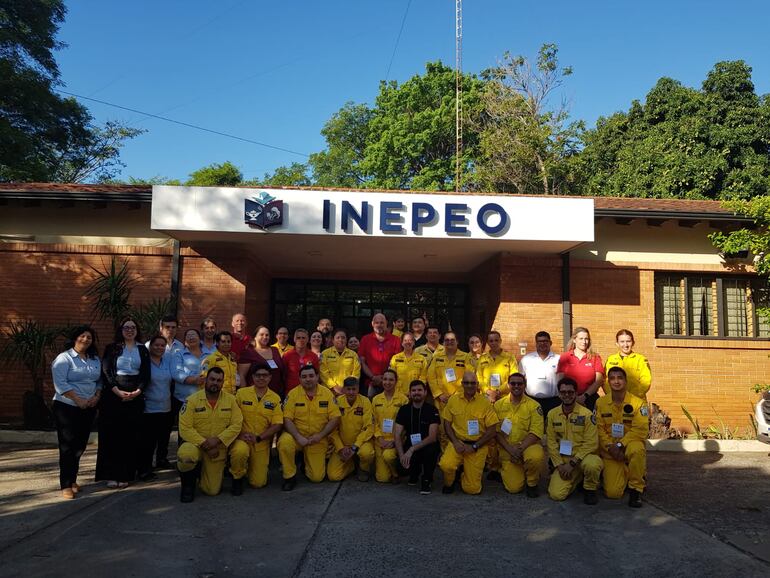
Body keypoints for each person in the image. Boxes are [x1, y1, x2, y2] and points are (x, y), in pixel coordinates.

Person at [96, 317, 150, 488]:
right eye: (126, 327)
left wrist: (138, 391)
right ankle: (111, 475)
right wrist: (117, 391)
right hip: (113, 395)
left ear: (137, 330)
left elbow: (146, 373)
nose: (130, 330)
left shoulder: (143, 350)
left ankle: (126, 474)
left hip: (135, 395)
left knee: (130, 437)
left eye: (133, 327)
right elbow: (106, 371)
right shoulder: (111, 348)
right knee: (112, 437)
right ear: (121, 330)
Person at [177, 367, 243, 502]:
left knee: (212, 491)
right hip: (195, 445)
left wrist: (218, 441)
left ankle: (202, 473)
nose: (215, 383)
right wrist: (205, 444)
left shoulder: (230, 400)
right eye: (212, 379)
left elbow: (236, 424)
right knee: (186, 455)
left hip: (218, 448)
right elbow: (185, 428)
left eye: (219, 381)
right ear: (206, 380)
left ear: (222, 383)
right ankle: (188, 486)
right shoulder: (191, 400)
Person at [51, 325, 102, 499]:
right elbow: (60, 384)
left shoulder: (94, 359)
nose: (85, 339)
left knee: (80, 445)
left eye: (89, 337)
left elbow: (99, 381)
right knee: (67, 446)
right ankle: (65, 484)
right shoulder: (64, 358)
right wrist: (78, 400)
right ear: (75, 338)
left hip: (88, 407)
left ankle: (73, 480)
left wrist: (96, 396)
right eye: (82, 336)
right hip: (67, 407)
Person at [277, 364, 341, 490]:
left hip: (317, 438)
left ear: (317, 377)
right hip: (296, 437)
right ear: (299, 379)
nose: (308, 379)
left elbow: (335, 418)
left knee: (316, 478)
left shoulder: (327, 393)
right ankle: (289, 476)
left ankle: (305, 462)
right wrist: (298, 437)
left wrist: (320, 436)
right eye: (304, 377)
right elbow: (287, 419)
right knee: (284, 443)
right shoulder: (293, 394)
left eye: (311, 376)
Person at [596, 366, 648, 507]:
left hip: (628, 446)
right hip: (610, 452)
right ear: (608, 382)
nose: (616, 381)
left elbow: (641, 430)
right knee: (613, 493)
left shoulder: (639, 403)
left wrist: (620, 445)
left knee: (637, 449)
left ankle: (636, 490)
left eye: (620, 378)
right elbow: (599, 429)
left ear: (625, 381)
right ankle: (628, 471)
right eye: (612, 378)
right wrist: (610, 447)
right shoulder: (600, 403)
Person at [439, 371, 498, 495]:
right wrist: (455, 442)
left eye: (473, 383)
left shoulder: (485, 403)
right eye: (466, 383)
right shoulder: (453, 400)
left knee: (472, 489)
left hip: (477, 446)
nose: (470, 385)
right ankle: (449, 482)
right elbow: (447, 424)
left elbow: (492, 429)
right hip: (457, 443)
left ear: (477, 384)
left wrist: (475, 446)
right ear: (462, 384)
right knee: (446, 465)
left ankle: (463, 475)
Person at [546, 377, 603, 504]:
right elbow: (551, 442)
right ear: (559, 394)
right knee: (556, 495)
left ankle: (590, 488)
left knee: (593, 464)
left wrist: (572, 464)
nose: (567, 395)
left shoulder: (587, 415)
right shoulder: (552, 414)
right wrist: (559, 466)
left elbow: (591, 443)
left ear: (576, 393)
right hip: (563, 460)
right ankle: (577, 480)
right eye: (563, 392)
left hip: (582, 459)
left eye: (570, 392)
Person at [229, 363, 284, 494]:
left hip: (260, 441)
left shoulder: (275, 398)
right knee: (239, 452)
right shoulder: (241, 394)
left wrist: (259, 437)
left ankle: (248, 468)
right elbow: (230, 417)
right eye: (257, 375)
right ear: (252, 377)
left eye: (265, 375)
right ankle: (237, 477)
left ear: (270, 378)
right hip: (241, 438)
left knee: (258, 483)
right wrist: (238, 435)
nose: (261, 378)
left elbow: (277, 424)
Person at [494, 373, 545, 497]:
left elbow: (536, 432)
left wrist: (519, 449)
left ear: (524, 385)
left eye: (520, 384)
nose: (516, 386)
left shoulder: (534, 406)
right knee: (514, 488)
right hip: (507, 448)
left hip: (528, 447)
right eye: (513, 383)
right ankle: (508, 470)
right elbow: (495, 432)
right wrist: (511, 450)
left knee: (535, 457)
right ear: (508, 385)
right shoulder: (498, 405)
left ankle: (532, 482)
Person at [394, 380, 441, 495]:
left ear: (425, 392)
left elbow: (432, 437)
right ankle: (414, 472)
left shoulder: (432, 410)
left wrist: (411, 449)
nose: (416, 393)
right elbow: (397, 434)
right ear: (409, 393)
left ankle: (427, 479)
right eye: (413, 391)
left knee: (431, 450)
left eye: (419, 390)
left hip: (427, 446)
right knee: (401, 468)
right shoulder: (404, 409)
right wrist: (401, 456)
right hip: (410, 445)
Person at [138, 335, 174, 480]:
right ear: (150, 346)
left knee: (163, 438)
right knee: (148, 442)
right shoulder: (145, 363)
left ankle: (160, 461)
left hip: (166, 407)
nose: (159, 348)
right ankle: (144, 469)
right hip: (149, 408)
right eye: (156, 345)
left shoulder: (167, 361)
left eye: (162, 346)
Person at [327, 377, 374, 482]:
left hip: (361, 443)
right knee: (333, 476)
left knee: (367, 453)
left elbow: (369, 427)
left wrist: (354, 447)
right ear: (343, 390)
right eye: (348, 389)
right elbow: (332, 429)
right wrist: (340, 448)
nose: (351, 392)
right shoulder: (337, 402)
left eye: (354, 389)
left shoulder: (365, 401)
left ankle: (363, 469)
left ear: (358, 389)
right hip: (342, 444)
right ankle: (351, 465)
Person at [371, 369, 409, 483]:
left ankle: (395, 472)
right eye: (385, 379)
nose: (387, 382)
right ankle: (388, 470)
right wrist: (380, 438)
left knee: (389, 456)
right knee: (382, 478)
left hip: (396, 441)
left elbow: (406, 424)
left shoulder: (404, 400)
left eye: (391, 379)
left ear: (396, 381)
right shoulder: (375, 399)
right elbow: (373, 421)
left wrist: (395, 440)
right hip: (380, 440)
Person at [557, 327, 604, 410]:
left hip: (589, 398)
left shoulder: (595, 357)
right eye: (581, 338)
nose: (584, 342)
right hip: (568, 399)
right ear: (574, 340)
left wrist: (584, 396)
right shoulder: (565, 357)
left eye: (586, 339)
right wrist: (571, 397)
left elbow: (599, 380)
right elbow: (560, 380)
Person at [519, 331, 561, 422]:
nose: (542, 343)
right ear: (536, 343)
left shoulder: (559, 359)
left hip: (554, 402)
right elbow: (521, 380)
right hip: (532, 401)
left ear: (550, 343)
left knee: (552, 428)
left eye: (545, 341)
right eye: (539, 341)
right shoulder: (526, 359)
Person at [359, 313, 401, 397]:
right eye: (377, 323)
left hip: (391, 383)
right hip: (370, 383)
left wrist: (384, 378)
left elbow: (398, 363)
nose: (379, 325)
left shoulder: (396, 340)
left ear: (386, 323)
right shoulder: (365, 339)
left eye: (382, 323)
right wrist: (373, 377)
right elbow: (362, 362)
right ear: (372, 324)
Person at [604, 329, 652, 402]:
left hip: (637, 401)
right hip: (615, 402)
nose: (625, 345)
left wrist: (631, 397)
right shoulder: (611, 359)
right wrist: (613, 395)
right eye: (622, 342)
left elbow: (646, 381)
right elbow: (605, 380)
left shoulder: (641, 359)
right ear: (617, 343)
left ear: (633, 343)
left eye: (628, 341)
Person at [238, 325, 285, 397]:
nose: (265, 337)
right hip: (255, 395)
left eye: (267, 335)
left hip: (276, 394)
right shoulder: (249, 352)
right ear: (255, 337)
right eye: (261, 335)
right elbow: (242, 375)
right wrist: (243, 395)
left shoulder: (275, 350)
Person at [428, 332, 468, 412]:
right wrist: (439, 394)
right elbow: (430, 376)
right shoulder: (437, 357)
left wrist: (458, 394)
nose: (449, 342)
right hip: (441, 400)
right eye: (447, 340)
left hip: (460, 398)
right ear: (443, 342)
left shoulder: (466, 357)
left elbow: (468, 377)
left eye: (452, 340)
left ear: (457, 342)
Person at [477, 330, 518, 404]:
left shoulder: (510, 358)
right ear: (488, 343)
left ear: (500, 341)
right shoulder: (482, 358)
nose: (494, 343)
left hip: (505, 398)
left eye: (496, 340)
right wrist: (488, 391)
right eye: (491, 341)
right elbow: (478, 378)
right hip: (486, 398)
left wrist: (498, 391)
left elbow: (513, 378)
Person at [172, 329, 207, 415]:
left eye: (193, 335)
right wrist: (194, 380)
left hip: (205, 399)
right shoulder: (178, 354)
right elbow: (176, 373)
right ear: (184, 341)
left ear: (200, 339)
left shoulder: (209, 355)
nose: (191, 337)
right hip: (183, 400)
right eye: (188, 336)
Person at [320, 328, 361, 395]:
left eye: (343, 338)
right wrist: (334, 386)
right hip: (328, 391)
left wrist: (348, 387)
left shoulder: (353, 355)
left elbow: (356, 373)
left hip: (348, 392)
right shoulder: (325, 354)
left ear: (346, 340)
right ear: (333, 340)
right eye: (338, 337)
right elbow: (323, 372)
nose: (340, 340)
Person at [389, 332, 429, 397]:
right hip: (398, 394)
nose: (408, 342)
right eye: (405, 340)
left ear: (414, 342)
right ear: (402, 343)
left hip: (416, 394)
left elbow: (423, 378)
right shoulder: (395, 358)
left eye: (410, 340)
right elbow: (391, 376)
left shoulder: (421, 359)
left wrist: (416, 391)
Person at [282, 328, 320, 396]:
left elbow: (316, 375)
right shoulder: (287, 355)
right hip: (291, 392)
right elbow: (283, 375)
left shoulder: (313, 356)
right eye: (298, 338)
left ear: (308, 340)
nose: (301, 340)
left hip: (309, 392)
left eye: (303, 338)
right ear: (294, 339)